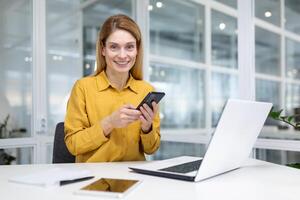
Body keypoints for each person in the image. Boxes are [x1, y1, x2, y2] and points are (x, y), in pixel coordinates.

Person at [64, 14, 161, 163]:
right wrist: (109, 123)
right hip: (94, 180)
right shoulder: (83, 88)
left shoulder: (146, 91)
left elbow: (151, 149)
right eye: (114, 47)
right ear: (103, 50)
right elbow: (73, 145)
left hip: (134, 180)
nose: (122, 55)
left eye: (129, 47)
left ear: (137, 50)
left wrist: (147, 128)